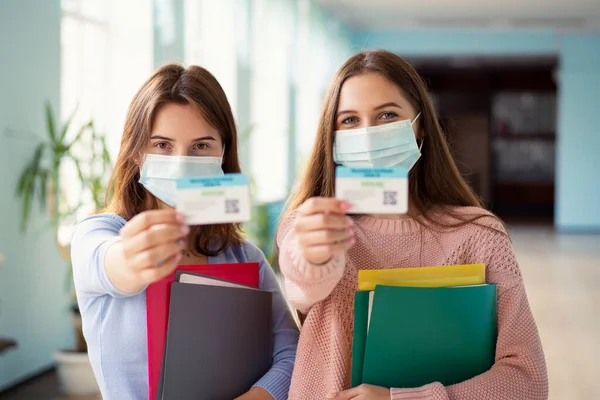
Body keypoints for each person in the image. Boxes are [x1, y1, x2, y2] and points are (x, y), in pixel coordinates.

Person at [276, 50, 548, 400]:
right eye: (349, 121)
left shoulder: (480, 236)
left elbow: (528, 381)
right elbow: (303, 284)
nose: (369, 134)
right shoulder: (309, 225)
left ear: (419, 124)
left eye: (387, 115)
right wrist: (315, 255)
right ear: (332, 136)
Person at [71, 64, 299, 400]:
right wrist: (133, 259)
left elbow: (291, 353)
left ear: (223, 153)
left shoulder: (245, 256)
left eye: (201, 146)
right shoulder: (99, 233)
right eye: (162, 145)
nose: (181, 162)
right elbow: (109, 263)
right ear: (137, 152)